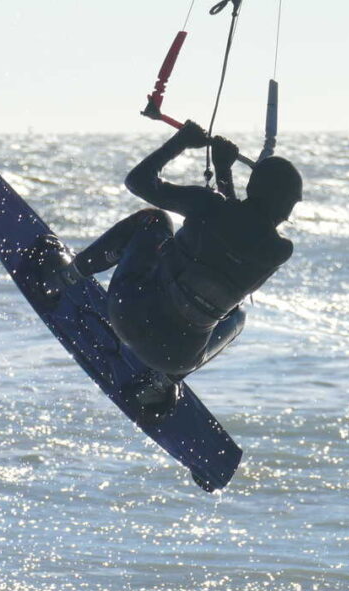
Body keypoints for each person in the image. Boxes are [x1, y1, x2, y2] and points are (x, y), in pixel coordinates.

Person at [36, 120, 302, 418]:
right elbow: (240, 228)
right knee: (236, 316)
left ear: (255, 189)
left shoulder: (211, 206)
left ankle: (64, 278)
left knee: (154, 220)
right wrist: (224, 172)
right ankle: (162, 384)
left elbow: (138, 181)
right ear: (283, 206)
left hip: (127, 315)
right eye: (290, 206)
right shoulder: (278, 252)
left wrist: (181, 142)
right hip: (175, 358)